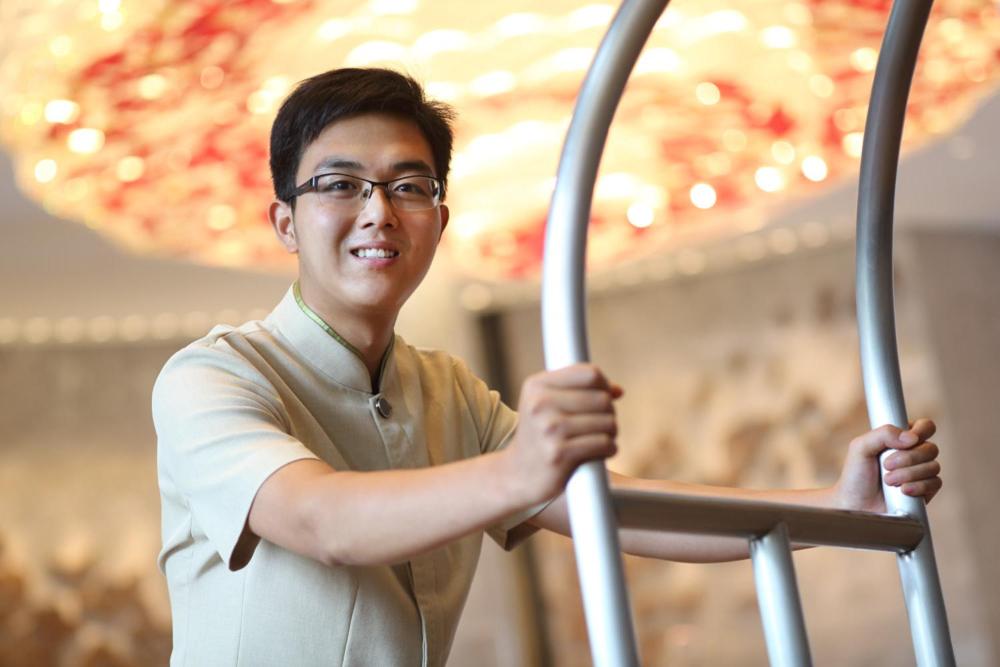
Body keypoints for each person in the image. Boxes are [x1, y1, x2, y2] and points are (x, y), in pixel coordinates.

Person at [152, 68, 943, 666]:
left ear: (439, 221)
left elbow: (611, 509)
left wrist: (834, 504)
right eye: (340, 184)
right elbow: (322, 522)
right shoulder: (212, 377)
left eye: (408, 186)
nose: (378, 211)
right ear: (285, 221)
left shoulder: (445, 390)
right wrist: (521, 469)